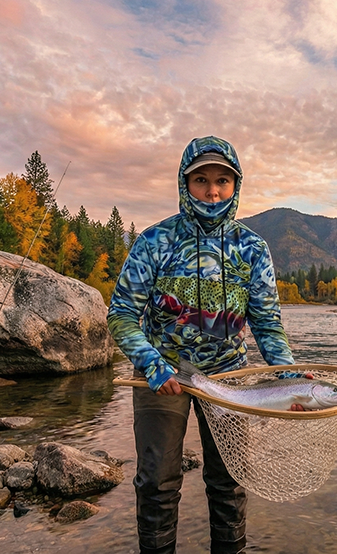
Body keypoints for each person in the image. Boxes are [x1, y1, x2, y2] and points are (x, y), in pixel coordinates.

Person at [107, 135, 295, 554]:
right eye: (201, 180)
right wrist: (151, 362)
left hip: (230, 376)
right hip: (162, 375)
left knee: (229, 480)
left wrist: (289, 375)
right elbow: (120, 313)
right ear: (184, 183)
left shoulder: (253, 248)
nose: (212, 190)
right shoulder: (154, 242)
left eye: (222, 181)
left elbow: (267, 324)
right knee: (156, 480)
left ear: (235, 186)